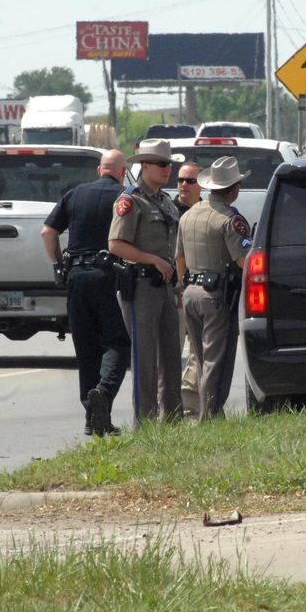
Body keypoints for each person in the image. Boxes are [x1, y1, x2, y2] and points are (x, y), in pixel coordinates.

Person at [42, 149, 130, 437]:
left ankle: (92, 419)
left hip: (76, 277)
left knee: (86, 348)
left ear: (99, 169)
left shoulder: (76, 194)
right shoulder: (125, 196)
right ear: (122, 171)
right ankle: (103, 393)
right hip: (107, 277)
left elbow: (47, 232)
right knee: (117, 343)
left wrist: (57, 264)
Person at [108, 139, 185, 423]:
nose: (168, 169)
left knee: (171, 355)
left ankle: (173, 419)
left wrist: (177, 281)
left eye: (169, 164)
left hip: (165, 286)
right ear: (145, 166)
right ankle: (147, 423)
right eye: (163, 164)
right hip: (141, 286)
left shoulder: (165, 201)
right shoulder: (131, 200)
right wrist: (151, 259)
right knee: (145, 359)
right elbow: (115, 244)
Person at [175, 156, 252, 420]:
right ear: (234, 189)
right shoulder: (231, 219)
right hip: (216, 296)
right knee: (215, 363)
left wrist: (183, 287)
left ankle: (204, 414)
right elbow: (244, 261)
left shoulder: (189, 215)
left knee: (199, 357)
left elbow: (179, 259)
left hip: (191, 294)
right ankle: (210, 418)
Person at [172, 160, 204, 418]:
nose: (183, 185)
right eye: (180, 180)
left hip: (197, 290)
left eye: (190, 180)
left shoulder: (208, 212)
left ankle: (191, 403)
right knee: (170, 349)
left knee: (196, 348)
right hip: (170, 289)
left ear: (201, 184)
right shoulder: (167, 210)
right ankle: (169, 404)